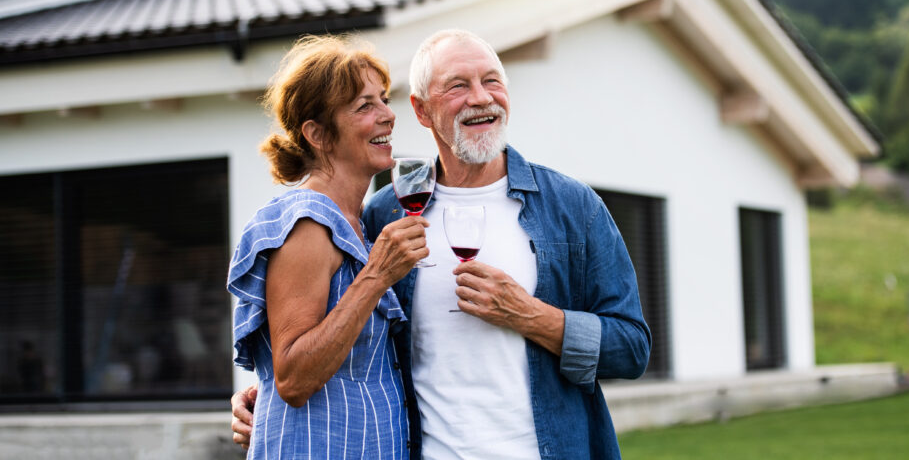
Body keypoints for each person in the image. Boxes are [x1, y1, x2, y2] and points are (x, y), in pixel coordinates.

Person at [233, 29, 651, 459]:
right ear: (422, 110)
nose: (480, 97)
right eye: (457, 85)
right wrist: (266, 396)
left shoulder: (573, 207)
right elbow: (329, 344)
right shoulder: (385, 215)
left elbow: (632, 349)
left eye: (492, 80)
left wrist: (531, 315)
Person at [227, 35, 429, 458]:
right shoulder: (308, 223)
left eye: (383, 99)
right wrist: (376, 276)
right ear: (318, 133)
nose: (388, 116)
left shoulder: (361, 223)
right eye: (364, 106)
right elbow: (294, 379)